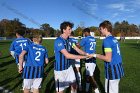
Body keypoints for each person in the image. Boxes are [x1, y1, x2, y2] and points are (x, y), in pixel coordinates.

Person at [54, 21, 91, 93]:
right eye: (69, 29)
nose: (71, 30)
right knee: (60, 91)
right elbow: (67, 55)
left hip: (68, 67)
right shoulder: (59, 41)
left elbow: (77, 49)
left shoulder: (70, 40)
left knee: (74, 85)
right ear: (64, 30)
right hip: (60, 70)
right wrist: (84, 57)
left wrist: (86, 54)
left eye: (71, 29)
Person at [92, 20, 124, 93]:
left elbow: (108, 58)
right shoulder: (114, 39)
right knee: (115, 90)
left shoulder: (107, 40)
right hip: (118, 67)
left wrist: (95, 55)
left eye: (100, 29)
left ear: (105, 29)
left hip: (112, 69)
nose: (100, 31)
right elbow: (111, 53)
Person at [79, 28, 100, 93]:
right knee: (88, 76)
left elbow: (78, 46)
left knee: (90, 77)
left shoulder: (85, 39)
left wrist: (73, 44)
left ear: (85, 32)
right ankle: (87, 90)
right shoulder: (93, 38)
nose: (83, 35)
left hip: (88, 59)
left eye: (83, 33)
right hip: (93, 58)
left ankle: (97, 91)